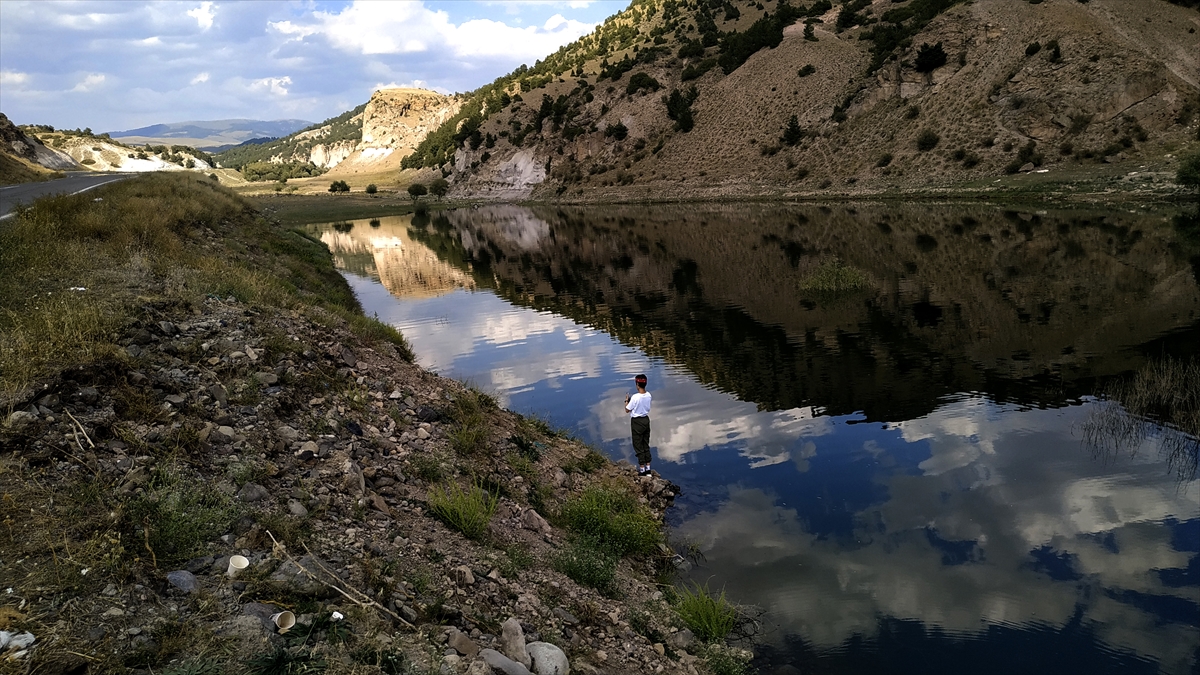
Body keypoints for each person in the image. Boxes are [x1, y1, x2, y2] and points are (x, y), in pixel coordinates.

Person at [624, 374, 652, 476]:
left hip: (636, 422)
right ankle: (648, 469)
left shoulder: (635, 397)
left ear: (637, 384)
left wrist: (627, 401)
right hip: (646, 420)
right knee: (645, 443)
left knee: (638, 444)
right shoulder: (649, 395)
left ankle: (642, 469)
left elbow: (627, 410)